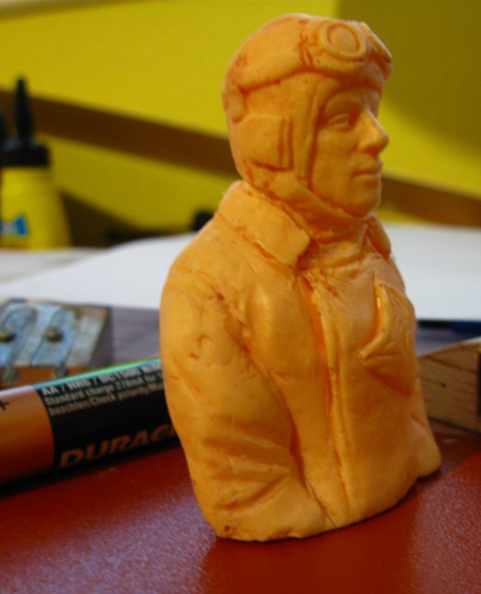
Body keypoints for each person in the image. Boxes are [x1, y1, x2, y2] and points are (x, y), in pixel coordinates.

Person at [160, 13, 440, 541]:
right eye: (342, 119)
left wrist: (416, 438)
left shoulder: (370, 247)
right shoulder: (211, 283)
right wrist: (276, 507)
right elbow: (233, 443)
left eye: (373, 112)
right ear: (273, 141)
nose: (378, 136)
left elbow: (401, 372)